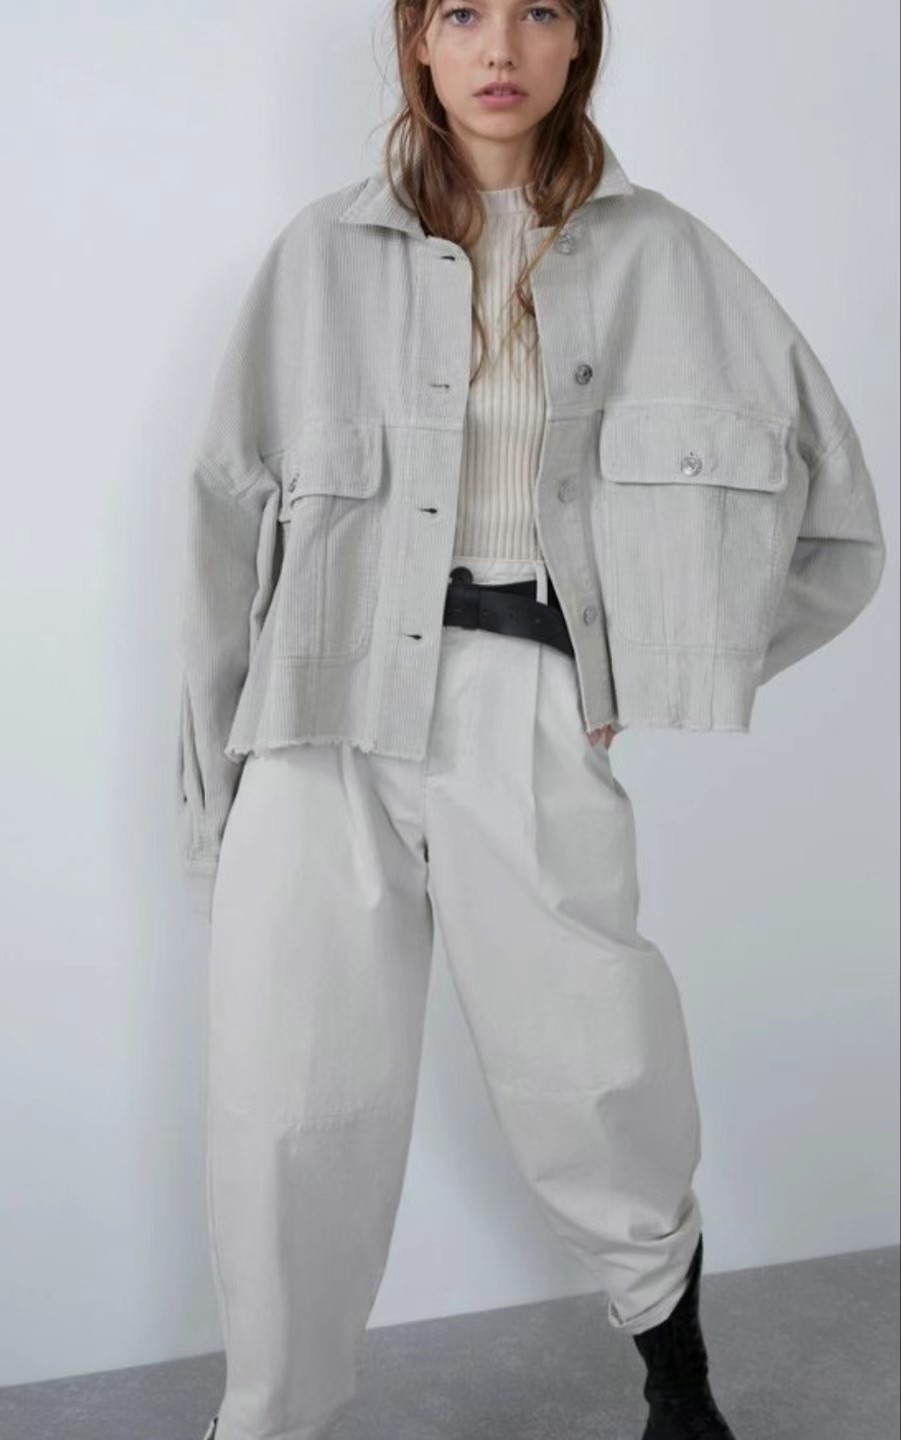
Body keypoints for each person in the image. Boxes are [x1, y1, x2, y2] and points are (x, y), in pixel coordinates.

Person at [176, 4, 886, 1438]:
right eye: (461, 12)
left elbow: (839, 529)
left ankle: (677, 1384)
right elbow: (220, 529)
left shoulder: (668, 258)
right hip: (318, 716)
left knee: (596, 1067)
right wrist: (216, 794)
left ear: (578, 47)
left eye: (538, 11)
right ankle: (268, 1421)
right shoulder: (317, 260)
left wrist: (644, 666)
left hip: (527, 697)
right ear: (418, 47)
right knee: (287, 1102)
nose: (499, 46)